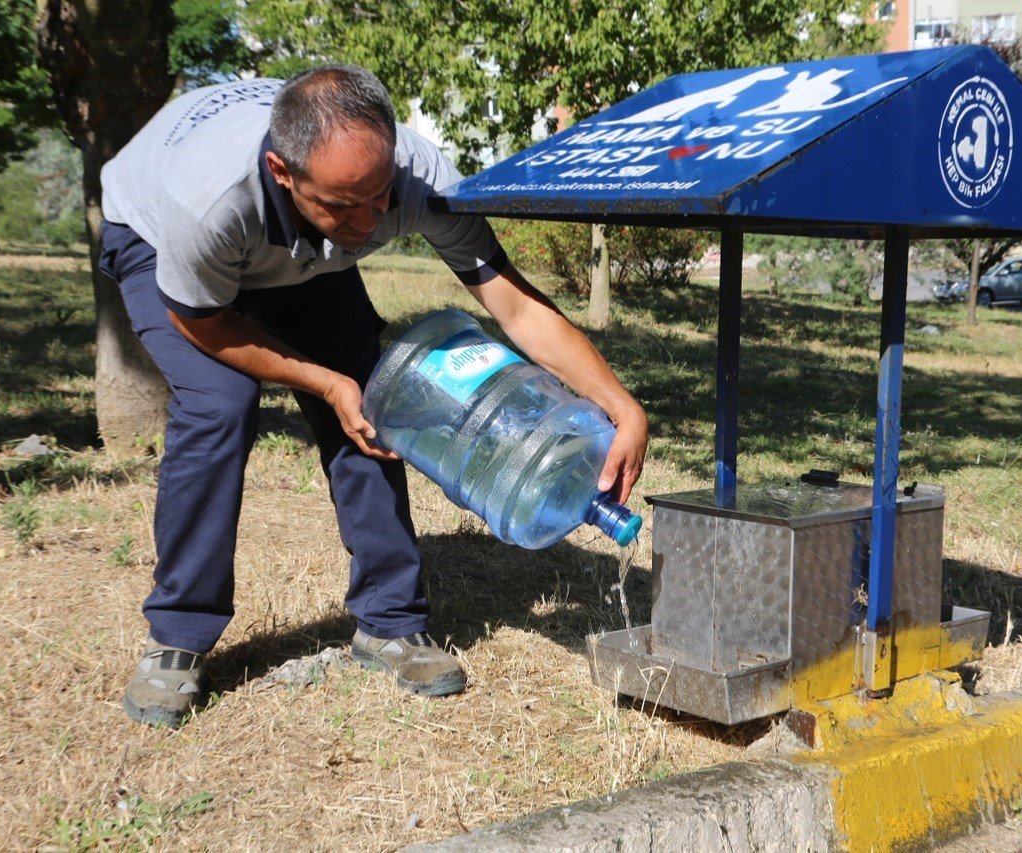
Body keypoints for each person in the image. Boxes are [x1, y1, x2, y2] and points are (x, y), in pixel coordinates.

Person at [99, 65, 649, 729]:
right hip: (157, 232)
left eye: (379, 195)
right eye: (342, 204)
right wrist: (323, 380)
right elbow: (204, 322)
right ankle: (178, 637)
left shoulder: (418, 179)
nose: (367, 224)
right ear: (283, 172)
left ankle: (390, 624)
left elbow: (516, 306)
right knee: (219, 403)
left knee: (379, 400)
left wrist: (621, 404)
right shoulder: (207, 201)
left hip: (298, 254)